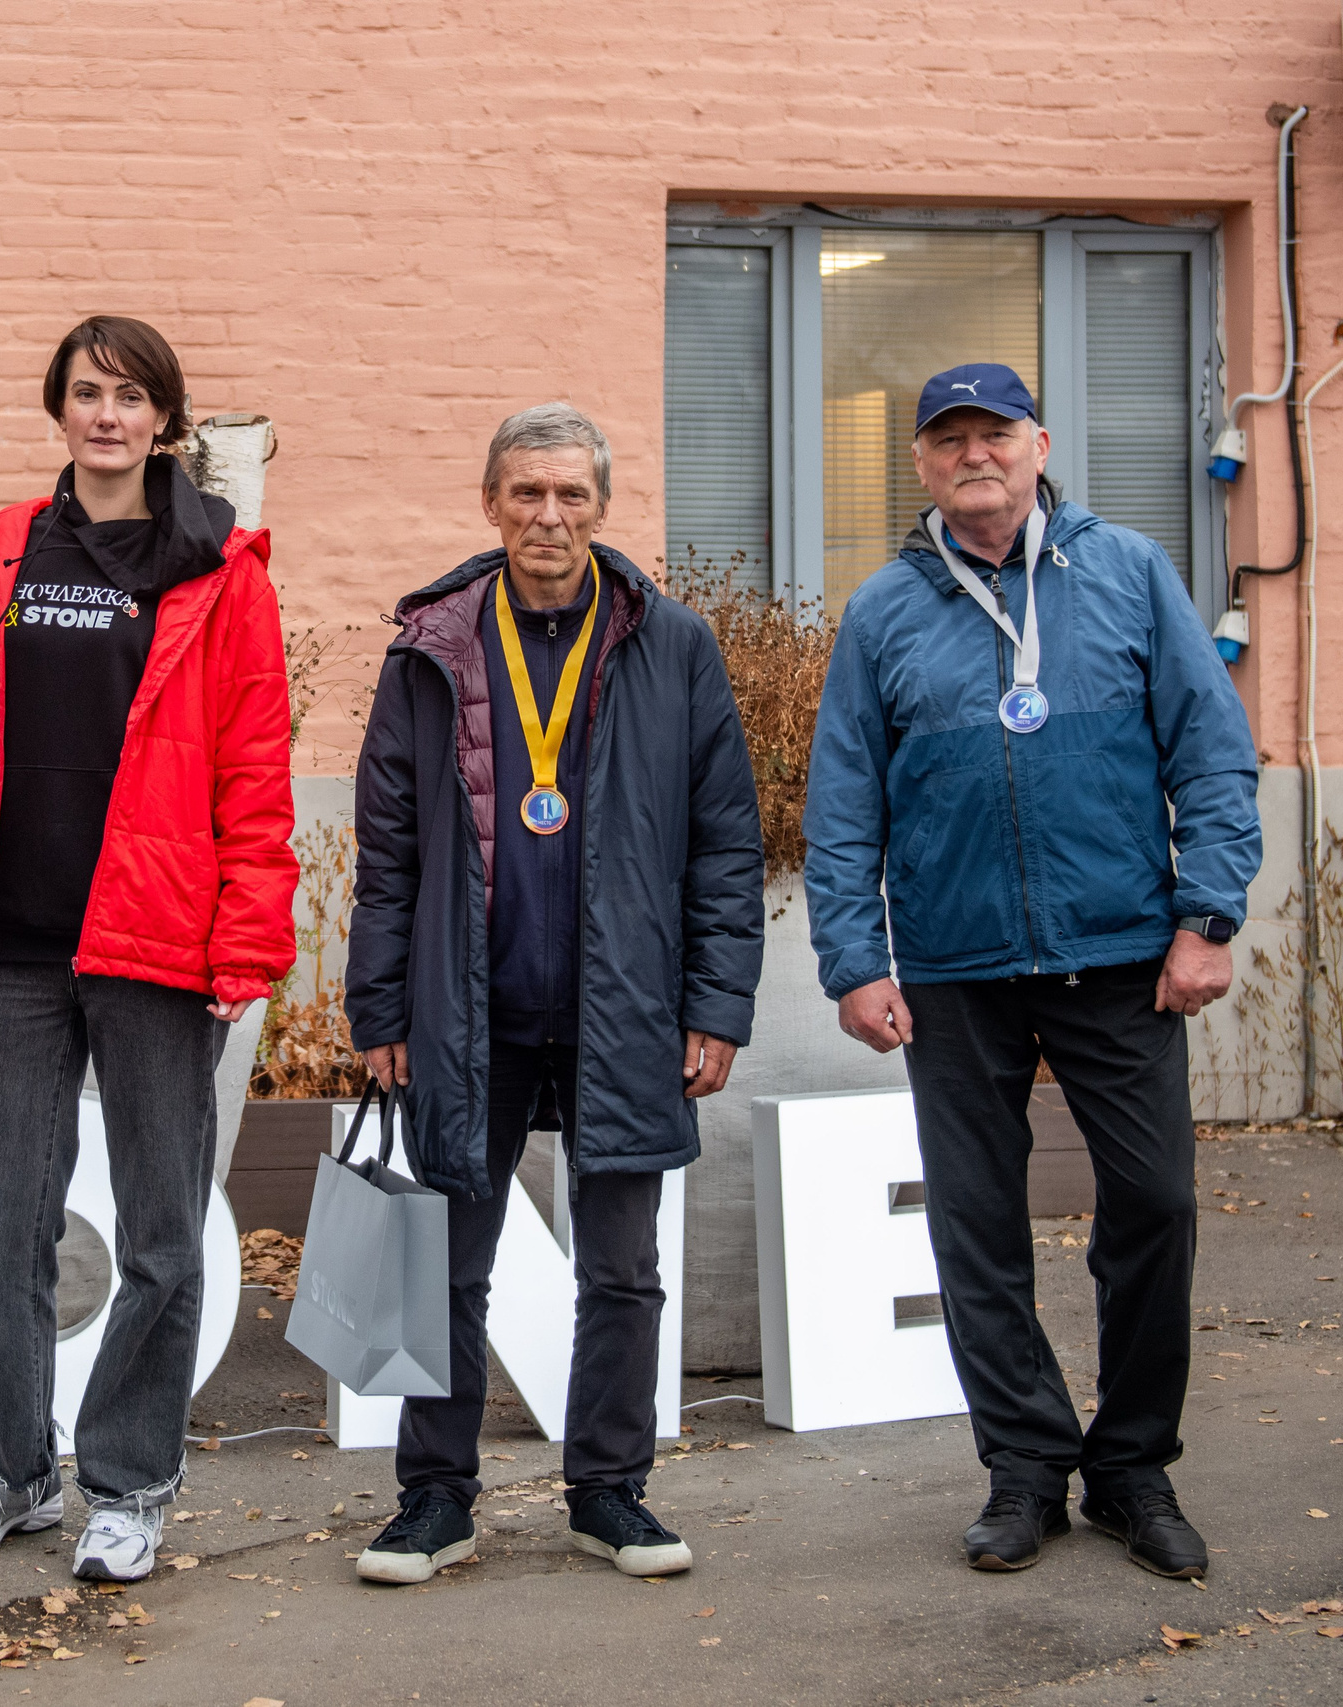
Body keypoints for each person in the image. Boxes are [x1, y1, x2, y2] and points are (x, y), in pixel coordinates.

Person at [804, 364, 1260, 1579]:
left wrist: (1206, 916)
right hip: (955, 971)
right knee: (975, 1226)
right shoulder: (883, 612)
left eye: (992, 434)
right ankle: (1021, 1469)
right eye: (946, 440)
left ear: (1038, 442)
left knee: (1153, 1204)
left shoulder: (1127, 574)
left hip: (1121, 958)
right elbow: (842, 806)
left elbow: (1213, 757)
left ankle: (1131, 1468)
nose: (973, 456)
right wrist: (853, 959)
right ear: (919, 466)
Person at [0, 315, 298, 1583]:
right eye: (85, 394)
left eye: (130, 397)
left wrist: (247, 941)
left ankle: (128, 1484)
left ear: (164, 419)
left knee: (159, 1234)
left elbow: (253, 765)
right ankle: (6, 1476)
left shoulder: (219, 565)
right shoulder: (8, 546)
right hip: (17, 940)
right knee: (2, 1220)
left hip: (156, 943)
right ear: (58, 410)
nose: (106, 416)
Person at [344, 403, 763, 1587]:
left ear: (602, 508)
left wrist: (715, 1003)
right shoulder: (430, 646)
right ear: (490, 503)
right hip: (464, 1007)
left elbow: (725, 844)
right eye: (526, 493)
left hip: (621, 1008)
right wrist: (380, 1010)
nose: (548, 516)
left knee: (622, 1271)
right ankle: (434, 1501)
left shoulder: (670, 644)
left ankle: (608, 1495)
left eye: (571, 495)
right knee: (444, 1267)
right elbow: (387, 855)